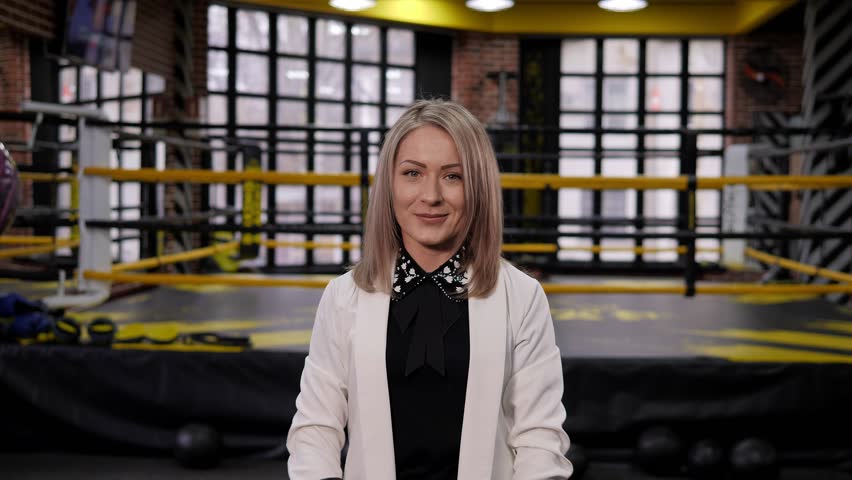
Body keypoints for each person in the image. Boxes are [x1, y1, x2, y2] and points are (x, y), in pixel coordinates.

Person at [286, 99, 573, 480]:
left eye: (453, 176)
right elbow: (316, 429)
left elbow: (539, 437)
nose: (431, 195)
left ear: (479, 187)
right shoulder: (343, 297)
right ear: (389, 184)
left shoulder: (521, 296)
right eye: (412, 173)